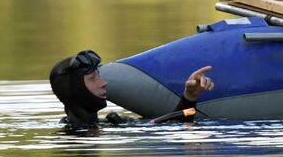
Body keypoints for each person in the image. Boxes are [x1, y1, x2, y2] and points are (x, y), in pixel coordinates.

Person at [49, 50, 214, 129]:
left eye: (98, 76)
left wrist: (190, 96)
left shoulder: (110, 124)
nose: (103, 83)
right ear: (75, 90)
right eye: (93, 79)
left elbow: (178, 123)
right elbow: (176, 125)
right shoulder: (77, 134)